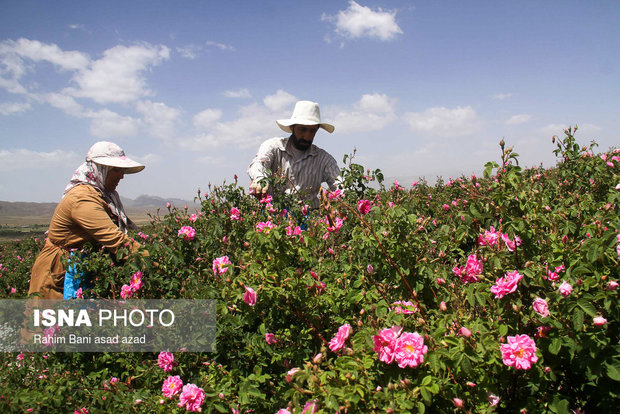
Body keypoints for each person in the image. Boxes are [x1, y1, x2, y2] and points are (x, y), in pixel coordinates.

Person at [28, 141, 146, 300]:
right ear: (100, 170)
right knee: (52, 321)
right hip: (59, 270)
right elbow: (116, 240)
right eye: (116, 170)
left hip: (80, 266)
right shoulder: (82, 199)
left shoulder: (101, 195)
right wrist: (157, 262)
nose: (121, 176)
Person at [247, 100, 341, 209]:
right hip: (274, 215)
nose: (307, 136)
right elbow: (258, 164)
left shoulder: (323, 159)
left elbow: (340, 185)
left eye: (312, 131)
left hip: (308, 219)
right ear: (292, 127)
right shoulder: (273, 147)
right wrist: (259, 178)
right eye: (303, 129)